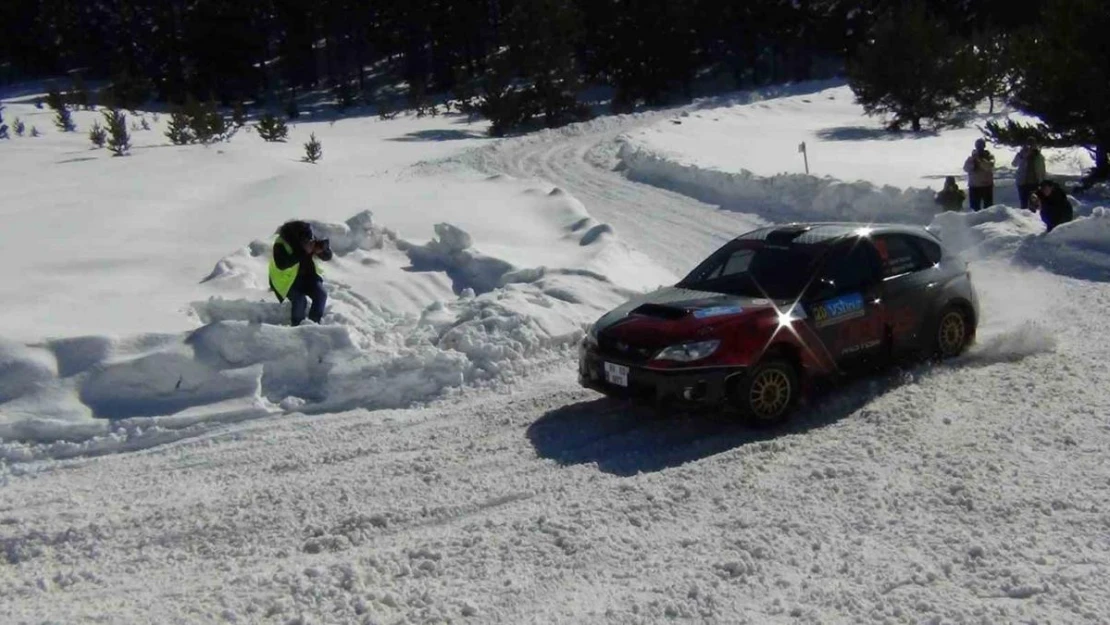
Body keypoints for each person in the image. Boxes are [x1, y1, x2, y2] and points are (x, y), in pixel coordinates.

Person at [268, 220, 333, 326]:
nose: (309, 242)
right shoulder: (281, 244)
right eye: (305, 241)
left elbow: (328, 257)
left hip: (309, 277)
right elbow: (282, 264)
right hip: (287, 281)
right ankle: (297, 326)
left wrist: (322, 249)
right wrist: (303, 252)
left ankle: (314, 323)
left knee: (321, 295)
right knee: (300, 300)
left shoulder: (308, 237)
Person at [963, 138, 996, 211]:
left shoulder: (989, 157)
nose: (979, 148)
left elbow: (988, 167)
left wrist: (980, 160)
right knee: (974, 208)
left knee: (988, 208)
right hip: (974, 186)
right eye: (978, 146)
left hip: (986, 185)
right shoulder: (971, 158)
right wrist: (973, 161)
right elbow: (966, 168)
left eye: (981, 146)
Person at [1011, 143, 1046, 209]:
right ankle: (1024, 217)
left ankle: (1032, 217)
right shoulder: (1021, 155)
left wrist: (1042, 180)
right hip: (1022, 182)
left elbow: (1042, 169)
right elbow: (1014, 164)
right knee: (1023, 203)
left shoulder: (1038, 156)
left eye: (1032, 146)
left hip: (1034, 182)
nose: (1030, 148)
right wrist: (1021, 156)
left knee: (1033, 203)